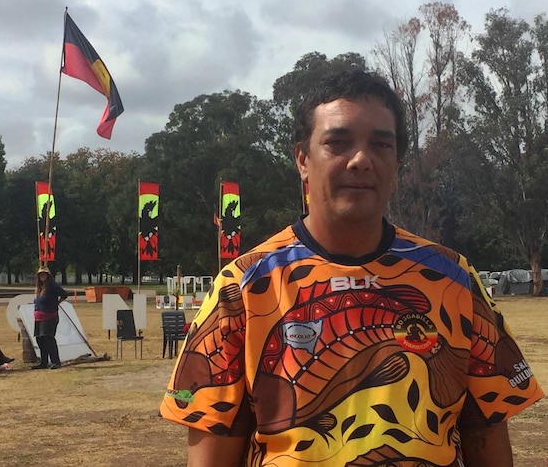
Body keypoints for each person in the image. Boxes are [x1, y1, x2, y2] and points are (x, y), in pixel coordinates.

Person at [160, 70, 543, 466]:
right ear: (302, 159)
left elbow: (487, 434)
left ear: (397, 163)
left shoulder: (452, 279)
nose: (361, 160)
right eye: (338, 143)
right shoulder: (243, 287)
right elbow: (212, 450)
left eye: (380, 145)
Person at [31, 266, 68, 369]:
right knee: (40, 340)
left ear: (48, 275)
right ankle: (44, 362)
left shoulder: (52, 286)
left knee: (49, 339)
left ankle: (55, 361)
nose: (42, 276)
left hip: (49, 317)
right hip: (38, 317)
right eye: (40, 275)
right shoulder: (39, 287)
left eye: (44, 274)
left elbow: (64, 294)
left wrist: (57, 303)